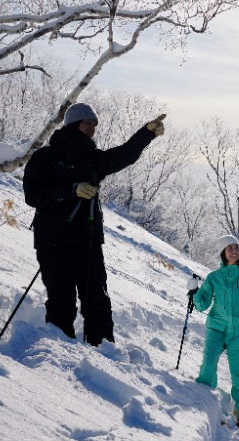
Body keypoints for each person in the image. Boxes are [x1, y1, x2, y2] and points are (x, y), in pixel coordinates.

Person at [23, 102, 166, 346]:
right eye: (87, 122)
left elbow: (124, 155)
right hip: (54, 241)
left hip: (88, 241)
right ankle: (59, 353)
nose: (92, 128)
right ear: (73, 123)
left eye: (94, 124)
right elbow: (33, 195)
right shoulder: (46, 157)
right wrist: (71, 190)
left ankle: (104, 354)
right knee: (61, 301)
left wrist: (147, 133)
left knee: (97, 300)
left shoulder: (93, 159)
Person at [188, 234, 239, 427]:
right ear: (223, 253)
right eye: (230, 248)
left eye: (236, 247)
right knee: (208, 365)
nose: (234, 251)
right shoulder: (214, 277)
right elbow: (202, 304)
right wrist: (194, 292)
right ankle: (204, 402)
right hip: (216, 327)